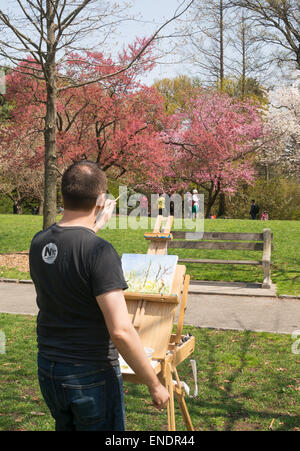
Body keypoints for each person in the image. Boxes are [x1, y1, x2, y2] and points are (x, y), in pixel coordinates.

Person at [29, 160, 169, 431]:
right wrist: (154, 383)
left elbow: (72, 251)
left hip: (49, 368)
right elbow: (120, 330)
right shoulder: (99, 251)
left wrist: (94, 227)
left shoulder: (39, 242)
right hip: (90, 373)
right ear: (101, 200)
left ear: (63, 196)